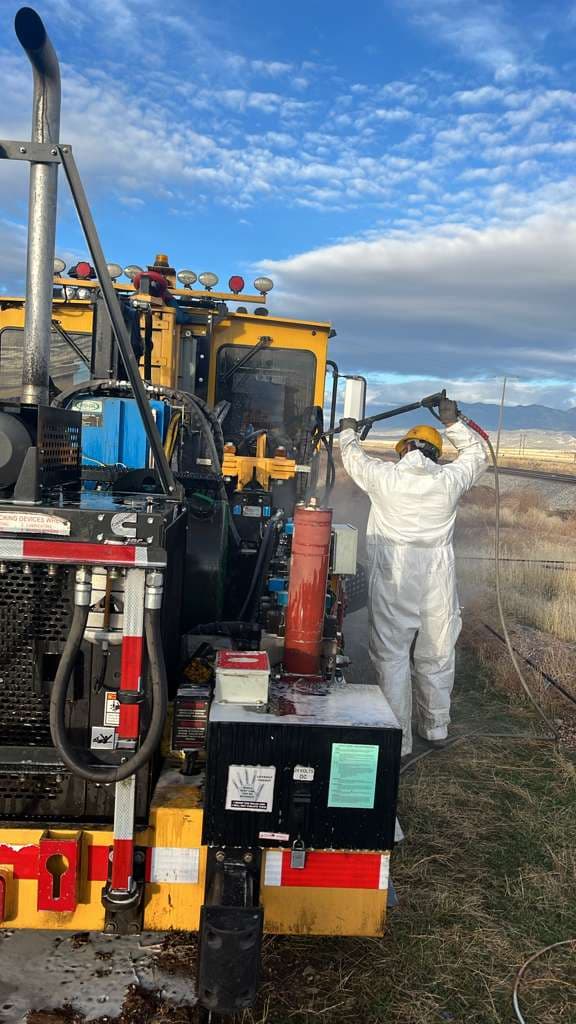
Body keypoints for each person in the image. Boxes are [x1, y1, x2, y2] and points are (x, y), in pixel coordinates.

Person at [339, 397, 488, 757]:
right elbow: (479, 456)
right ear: (436, 453)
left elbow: (352, 459)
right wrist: (452, 423)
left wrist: (348, 432)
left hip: (395, 571)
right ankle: (435, 727)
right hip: (437, 574)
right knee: (436, 652)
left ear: (403, 449)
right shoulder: (450, 479)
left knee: (391, 656)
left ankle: (398, 739)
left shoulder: (384, 476)